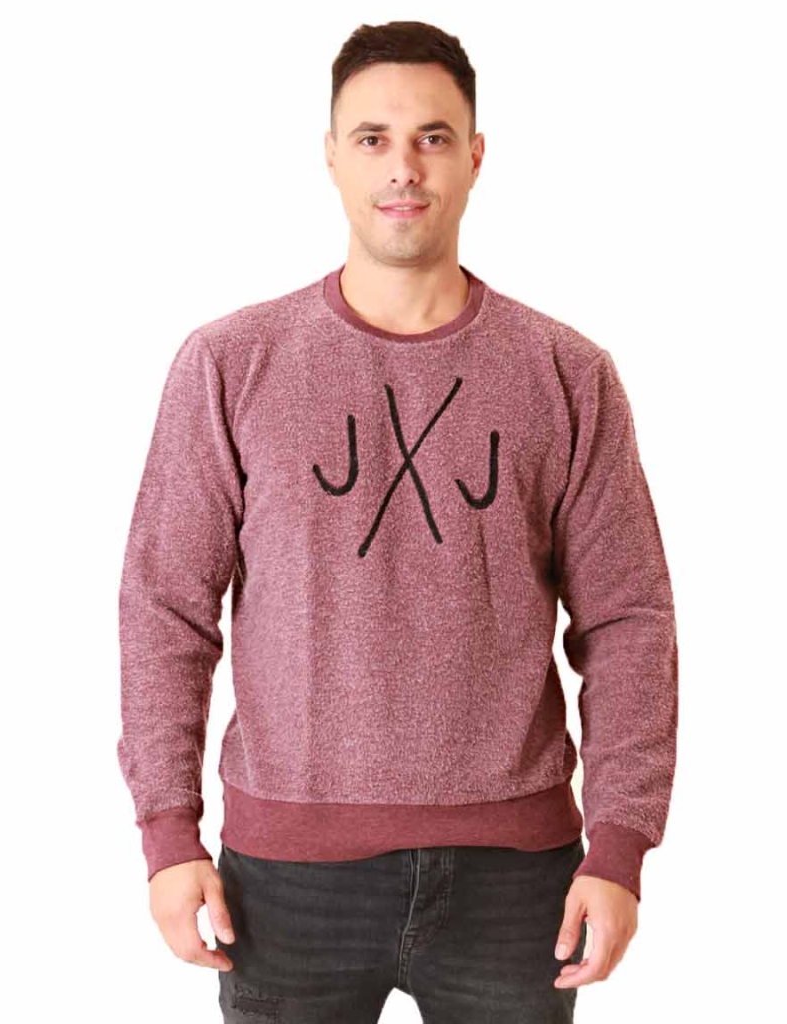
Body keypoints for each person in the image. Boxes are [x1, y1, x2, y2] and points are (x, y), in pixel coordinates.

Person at [117, 19, 678, 1024]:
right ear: (331, 155)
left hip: (518, 882)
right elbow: (165, 608)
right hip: (284, 882)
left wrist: (620, 847)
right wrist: (167, 834)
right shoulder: (231, 364)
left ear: (475, 156)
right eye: (373, 137)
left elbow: (628, 619)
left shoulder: (565, 373)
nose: (402, 167)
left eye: (431, 137)